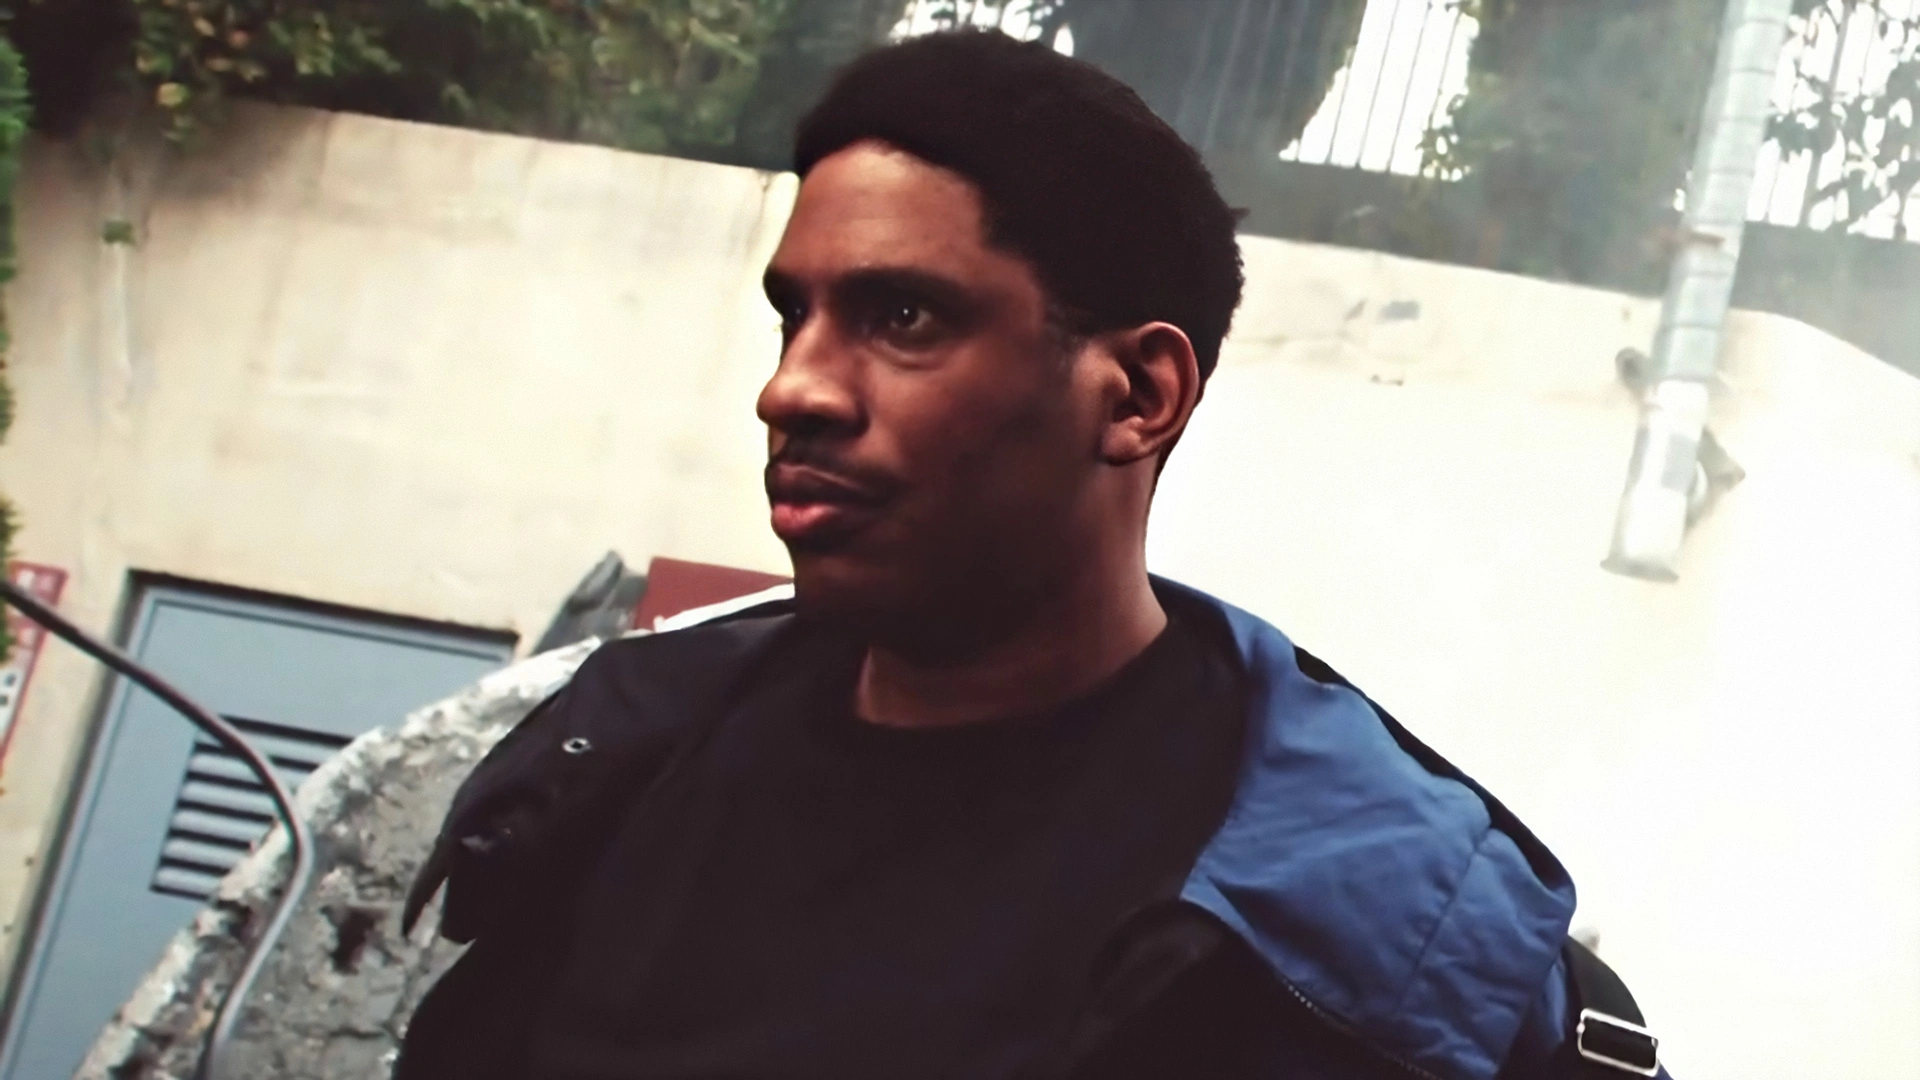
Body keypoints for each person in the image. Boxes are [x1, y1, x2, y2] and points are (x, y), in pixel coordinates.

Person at [396, 29, 1664, 1080]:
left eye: (903, 316)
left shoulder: (1374, 936)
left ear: (1138, 396)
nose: (794, 390)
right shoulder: (619, 763)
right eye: (795, 316)